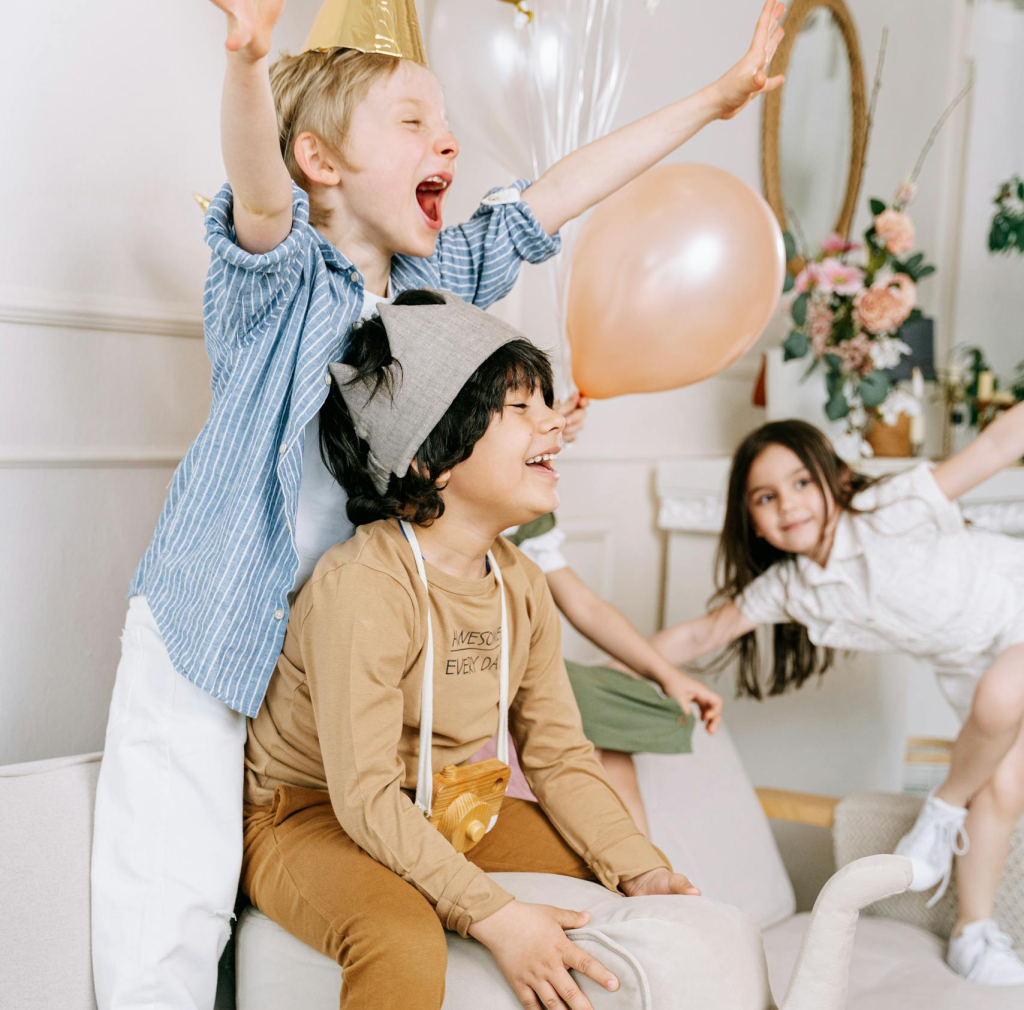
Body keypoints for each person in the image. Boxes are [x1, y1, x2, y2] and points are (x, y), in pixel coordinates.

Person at [91, 0, 787, 1002]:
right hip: (212, 623)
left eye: (444, 123)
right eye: (413, 122)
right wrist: (248, 61)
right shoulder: (282, 282)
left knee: (337, 853)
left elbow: (558, 193)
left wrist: (715, 101)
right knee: (170, 909)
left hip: (332, 630)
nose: (448, 140)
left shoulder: (434, 283)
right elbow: (258, 190)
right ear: (322, 159)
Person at [243, 289, 700, 1010]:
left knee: (600, 867)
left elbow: (558, 756)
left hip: (439, 807)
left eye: (545, 403)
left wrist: (642, 870)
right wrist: (495, 916)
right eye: (521, 409)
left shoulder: (521, 585)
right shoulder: (363, 586)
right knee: (401, 937)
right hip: (311, 815)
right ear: (431, 457)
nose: (554, 420)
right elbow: (362, 796)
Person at [655, 411, 1024, 986]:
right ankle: (973, 936)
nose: (789, 504)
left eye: (802, 482)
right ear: (751, 521)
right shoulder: (791, 588)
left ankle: (941, 808)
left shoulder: (891, 508)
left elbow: (999, 443)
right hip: (964, 665)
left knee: (1001, 697)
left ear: (837, 479)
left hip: (1016, 603)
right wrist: (590, 666)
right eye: (765, 497)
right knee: (1001, 785)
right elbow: (701, 635)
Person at [500, 514, 723, 834]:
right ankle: (636, 865)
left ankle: (647, 868)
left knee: (611, 737)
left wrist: (667, 675)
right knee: (586, 722)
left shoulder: (525, 526)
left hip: (530, 671)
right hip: (487, 682)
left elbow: (587, 608)